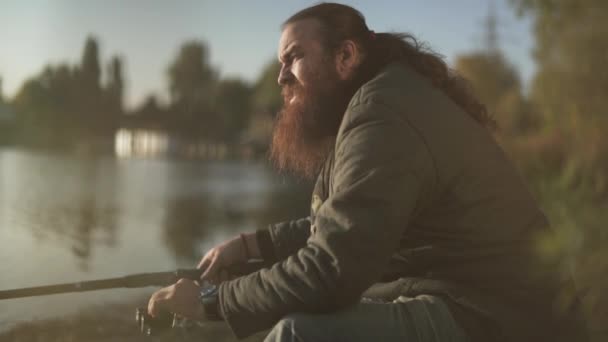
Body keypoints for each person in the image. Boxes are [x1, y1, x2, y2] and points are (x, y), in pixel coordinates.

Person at [147, 3, 588, 341]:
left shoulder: (382, 114)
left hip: (501, 315)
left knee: (298, 333)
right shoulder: (382, 102)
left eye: (294, 57)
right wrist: (251, 245)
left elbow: (331, 268)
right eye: (281, 62)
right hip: (475, 298)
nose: (282, 76)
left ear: (346, 55)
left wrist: (210, 300)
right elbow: (344, 222)